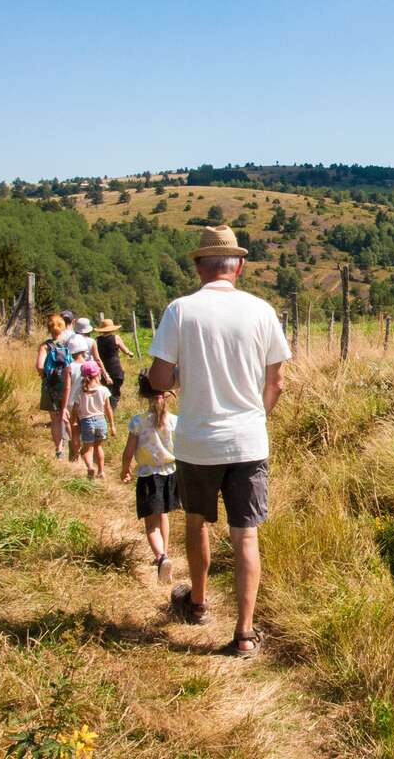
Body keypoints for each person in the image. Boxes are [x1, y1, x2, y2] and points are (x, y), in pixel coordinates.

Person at [148, 225, 291, 658]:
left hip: (197, 440)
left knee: (197, 522)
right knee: (246, 536)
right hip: (248, 441)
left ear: (198, 266)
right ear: (239, 266)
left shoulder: (180, 310)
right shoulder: (262, 311)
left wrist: (177, 377)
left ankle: (197, 603)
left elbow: (159, 377)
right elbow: (278, 382)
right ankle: (244, 634)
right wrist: (254, 417)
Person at [120, 371, 180, 584]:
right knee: (163, 515)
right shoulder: (174, 421)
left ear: (142, 395)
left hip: (148, 475)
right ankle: (165, 553)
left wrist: (125, 469)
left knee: (151, 524)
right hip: (171, 474)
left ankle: (160, 556)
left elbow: (129, 451)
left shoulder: (138, 422)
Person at [71, 360, 116, 479]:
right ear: (97, 374)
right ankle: (101, 471)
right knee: (99, 447)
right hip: (101, 421)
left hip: (86, 422)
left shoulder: (80, 390)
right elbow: (108, 409)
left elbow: (75, 409)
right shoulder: (103, 390)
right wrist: (112, 425)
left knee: (87, 449)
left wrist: (73, 421)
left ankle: (90, 467)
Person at [36, 314, 73, 459]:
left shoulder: (45, 346)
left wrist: (44, 376)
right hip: (66, 384)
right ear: (62, 327)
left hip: (50, 385)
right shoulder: (67, 345)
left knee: (55, 419)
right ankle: (73, 445)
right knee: (67, 415)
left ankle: (59, 450)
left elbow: (39, 366)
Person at [60, 333, 90, 462]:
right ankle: (87, 455)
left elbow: (67, 387)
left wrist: (63, 407)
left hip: (72, 403)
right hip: (86, 403)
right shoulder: (90, 366)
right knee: (87, 432)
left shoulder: (69, 367)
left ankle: (74, 457)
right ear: (84, 350)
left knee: (75, 431)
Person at [96, 317, 134, 410]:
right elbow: (125, 350)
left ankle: (107, 409)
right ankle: (112, 410)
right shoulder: (116, 338)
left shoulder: (97, 340)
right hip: (115, 367)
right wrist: (130, 353)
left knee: (106, 390)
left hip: (103, 368)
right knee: (115, 390)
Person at [74, 318, 113, 386]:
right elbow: (97, 359)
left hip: (76, 369)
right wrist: (105, 374)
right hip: (90, 370)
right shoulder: (91, 341)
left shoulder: (72, 340)